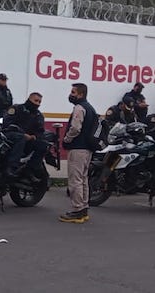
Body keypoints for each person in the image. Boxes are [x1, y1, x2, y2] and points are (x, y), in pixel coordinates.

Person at [59, 83, 98, 224]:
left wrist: (66, 139)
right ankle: (83, 208)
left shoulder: (79, 108)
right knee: (83, 179)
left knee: (75, 180)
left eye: (73, 92)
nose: (71, 95)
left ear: (81, 94)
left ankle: (77, 210)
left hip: (77, 148)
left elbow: (75, 128)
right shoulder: (90, 108)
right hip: (87, 149)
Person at [3, 92, 46, 178]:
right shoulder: (16, 108)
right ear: (29, 99)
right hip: (11, 135)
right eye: (36, 100)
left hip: (28, 140)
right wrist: (23, 134)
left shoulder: (38, 115)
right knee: (20, 137)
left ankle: (30, 169)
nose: (37, 103)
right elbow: (8, 123)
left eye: (39, 102)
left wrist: (35, 136)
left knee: (43, 144)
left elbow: (40, 131)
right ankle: (11, 167)